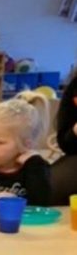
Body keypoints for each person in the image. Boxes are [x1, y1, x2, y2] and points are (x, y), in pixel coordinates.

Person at [50, 71, 77, 205]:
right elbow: (65, 144)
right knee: (47, 188)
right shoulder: (74, 88)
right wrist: (74, 132)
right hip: (75, 156)